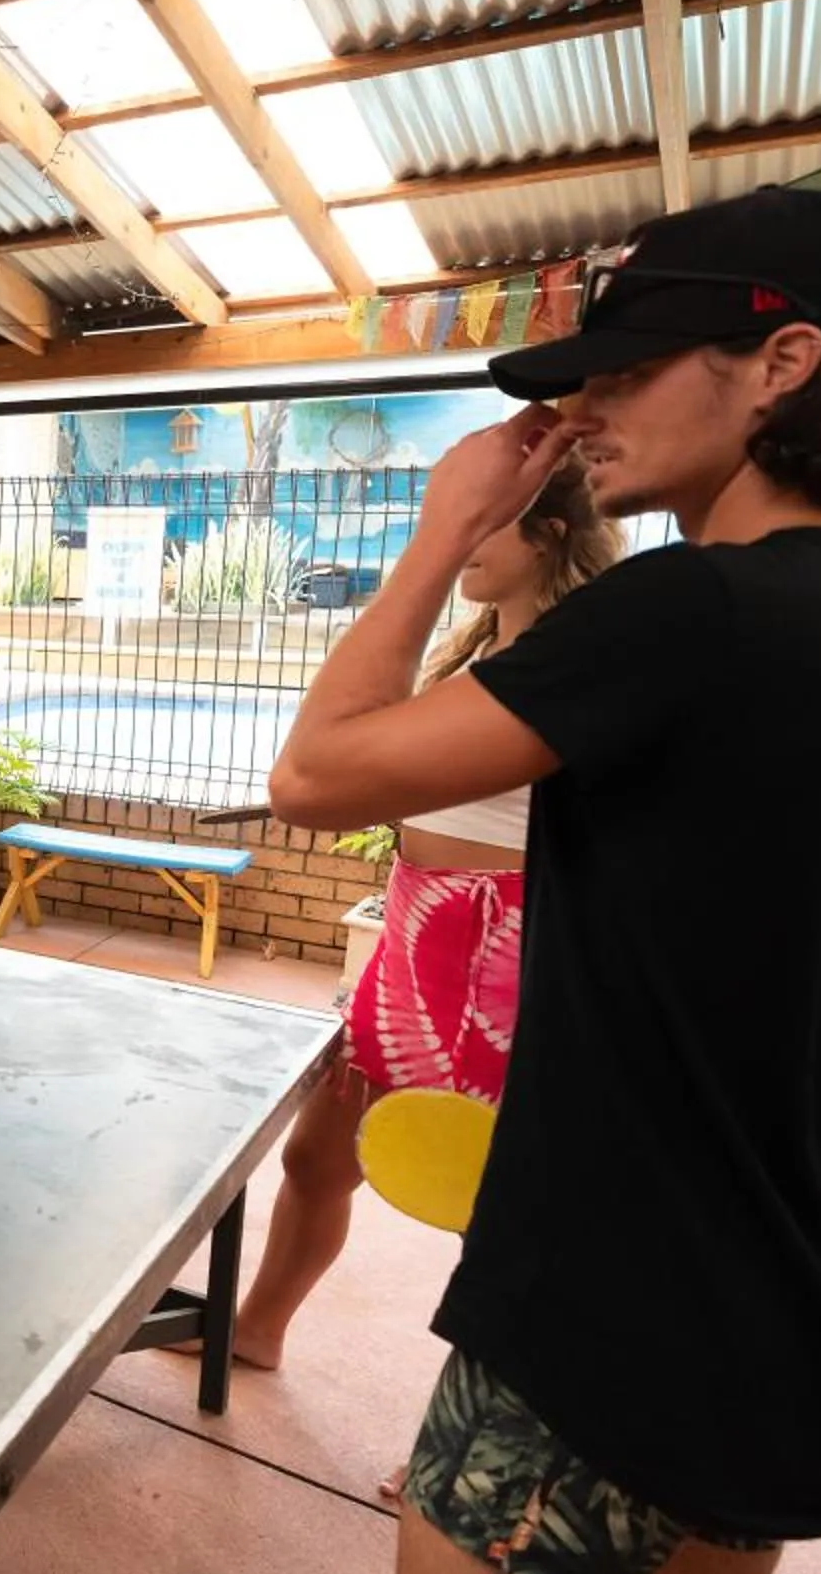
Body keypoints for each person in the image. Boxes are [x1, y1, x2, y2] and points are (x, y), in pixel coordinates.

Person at [265, 187, 821, 1574]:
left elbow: (319, 774)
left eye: (629, 367)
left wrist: (438, 536)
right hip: (792, 1304)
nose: (584, 408)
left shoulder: (700, 608)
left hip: (612, 1321)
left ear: (785, 361)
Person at [220, 455, 619, 1383]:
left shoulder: (587, 665)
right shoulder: (475, 654)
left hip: (509, 954)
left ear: (547, 534)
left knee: (501, 1208)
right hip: (414, 938)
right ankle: (257, 1329)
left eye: (485, 524)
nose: (460, 546)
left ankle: (479, 1426)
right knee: (321, 1157)